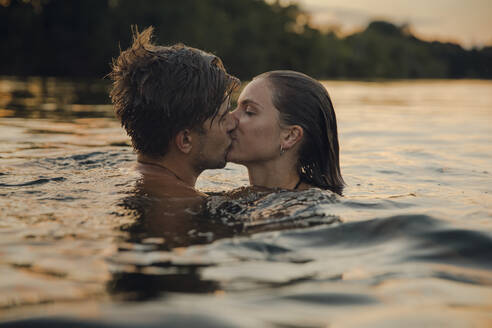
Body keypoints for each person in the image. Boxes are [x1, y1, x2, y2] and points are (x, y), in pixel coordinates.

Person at [109, 26, 239, 240]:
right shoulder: (181, 205)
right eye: (224, 117)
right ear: (185, 140)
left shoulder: (121, 175)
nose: (235, 122)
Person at [227, 70, 344, 195]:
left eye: (249, 111)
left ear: (290, 136)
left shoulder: (298, 209)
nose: (230, 118)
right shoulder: (242, 197)